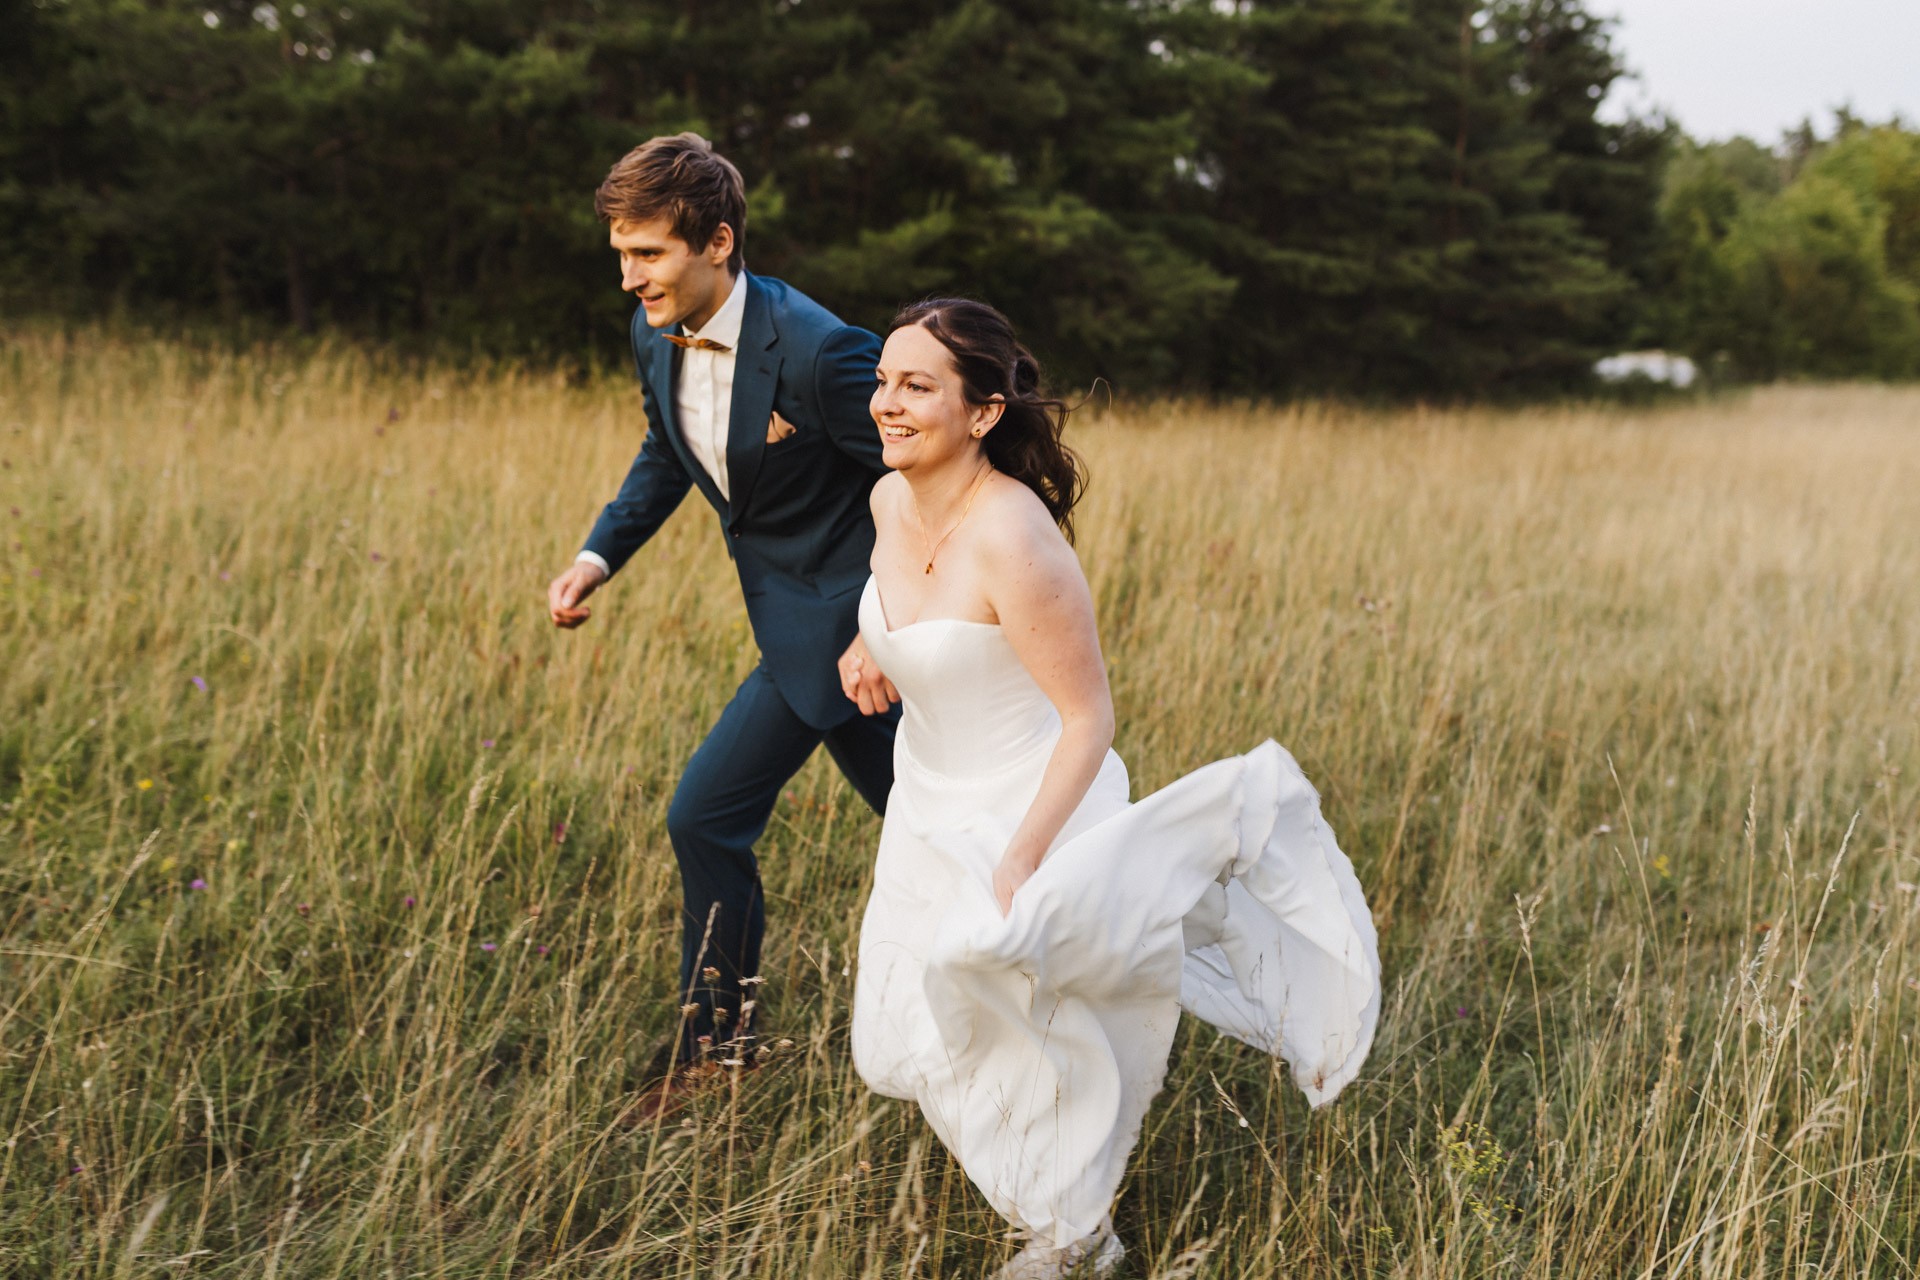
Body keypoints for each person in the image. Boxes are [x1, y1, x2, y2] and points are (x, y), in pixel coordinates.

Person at [845, 299, 1380, 1279]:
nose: (886, 402)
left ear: (986, 412)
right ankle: (1061, 1211)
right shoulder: (889, 501)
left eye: (916, 385)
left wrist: (1021, 855)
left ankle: (1074, 1233)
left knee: (1025, 1029)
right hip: (926, 801)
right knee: (913, 1030)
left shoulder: (1018, 539)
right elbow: (902, 599)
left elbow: (1090, 718)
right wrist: (867, 643)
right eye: (883, 380)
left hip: (1028, 807)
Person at [546, 134, 903, 1113]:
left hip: (862, 646)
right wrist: (596, 553)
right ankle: (724, 1050)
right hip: (800, 645)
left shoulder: (823, 349)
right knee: (942, 833)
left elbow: (921, 490)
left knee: (714, 813)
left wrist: (882, 628)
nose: (630, 277)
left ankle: (724, 1051)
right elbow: (669, 451)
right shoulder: (651, 332)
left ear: (717, 241)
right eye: (621, 254)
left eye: (649, 253)